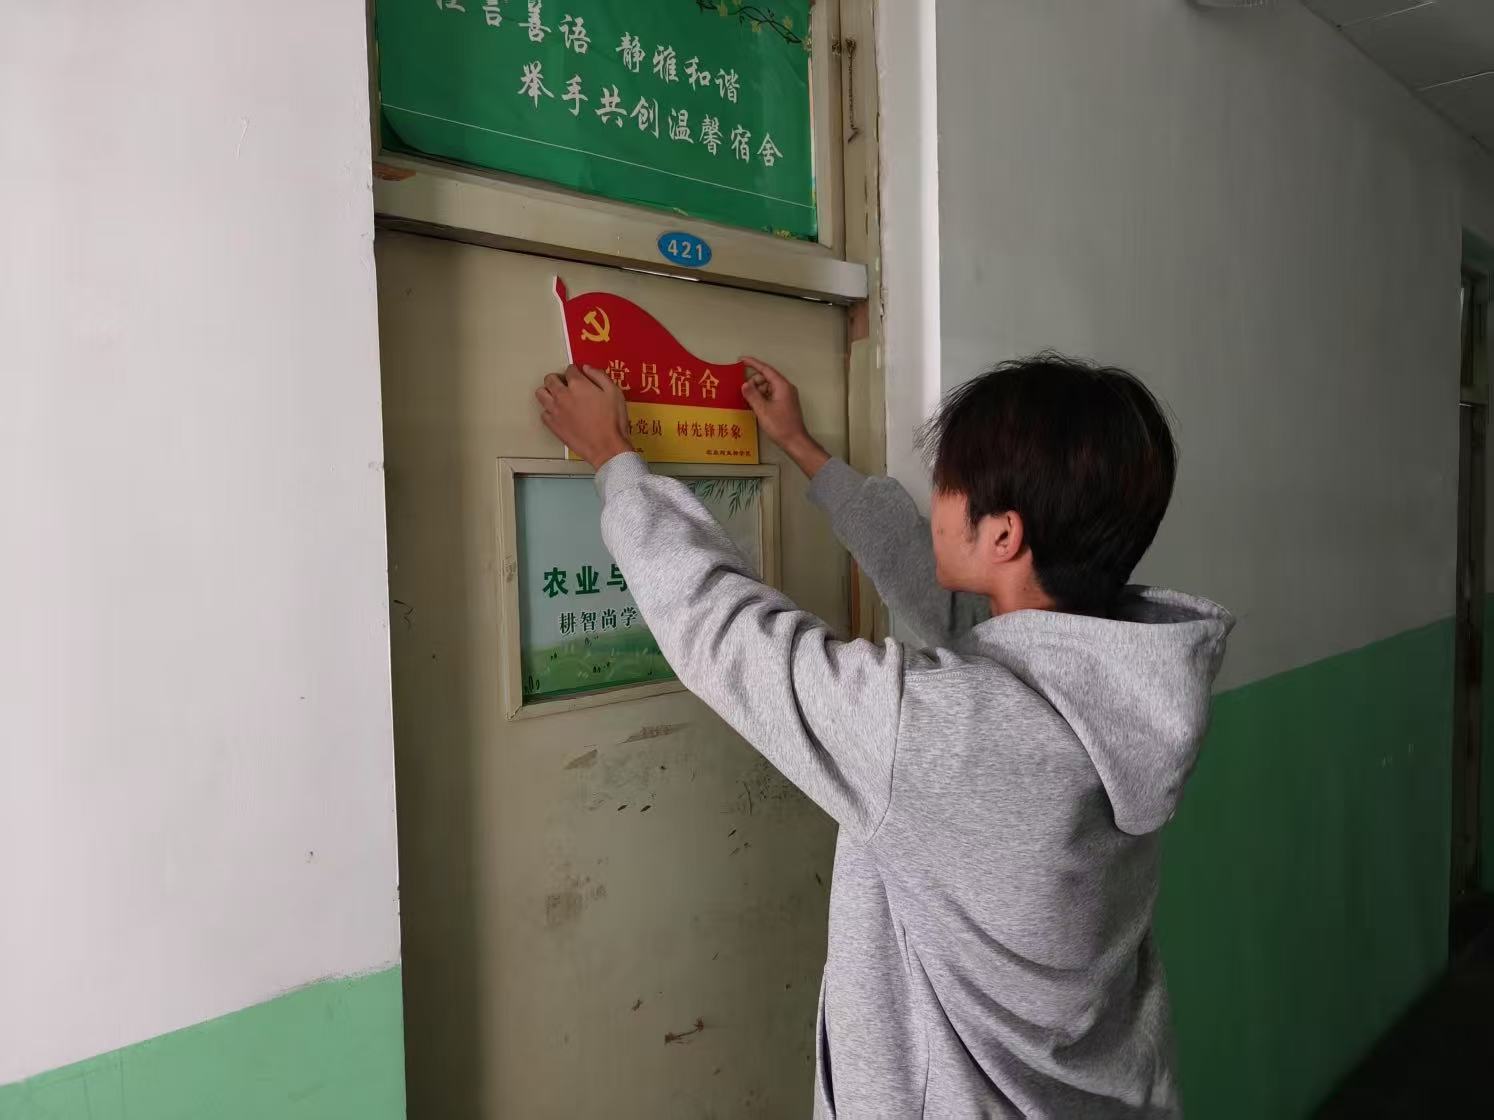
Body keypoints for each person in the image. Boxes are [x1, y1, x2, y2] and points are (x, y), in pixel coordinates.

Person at [534, 353, 1232, 1119]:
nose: (936, 498)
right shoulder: (1119, 690)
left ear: (1003, 534)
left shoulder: (946, 733)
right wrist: (802, 448)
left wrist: (615, 462)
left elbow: (724, 632)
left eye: (948, 482)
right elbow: (959, 614)